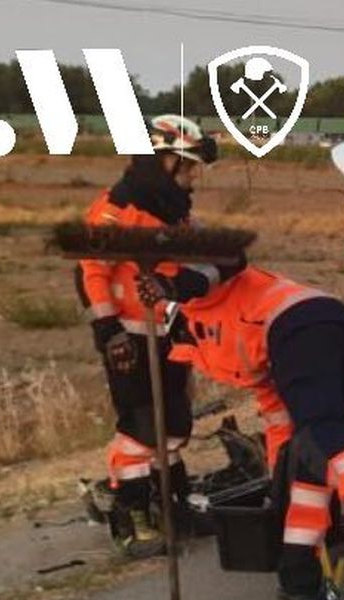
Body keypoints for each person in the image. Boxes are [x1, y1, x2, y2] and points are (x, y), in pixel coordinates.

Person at [168, 266, 344, 600]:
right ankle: (299, 572)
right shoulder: (220, 333)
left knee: (321, 432)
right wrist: (280, 478)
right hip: (338, 329)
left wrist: (170, 284)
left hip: (303, 331)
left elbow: (223, 262)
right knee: (310, 450)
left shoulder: (204, 306)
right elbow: (283, 425)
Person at [75, 115, 220, 557]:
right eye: (188, 166)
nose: (194, 176)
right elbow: (91, 272)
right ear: (163, 162)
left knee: (173, 426)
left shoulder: (175, 210)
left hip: (169, 334)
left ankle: (171, 507)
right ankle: (131, 516)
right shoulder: (117, 209)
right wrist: (109, 331)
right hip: (129, 340)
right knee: (140, 429)